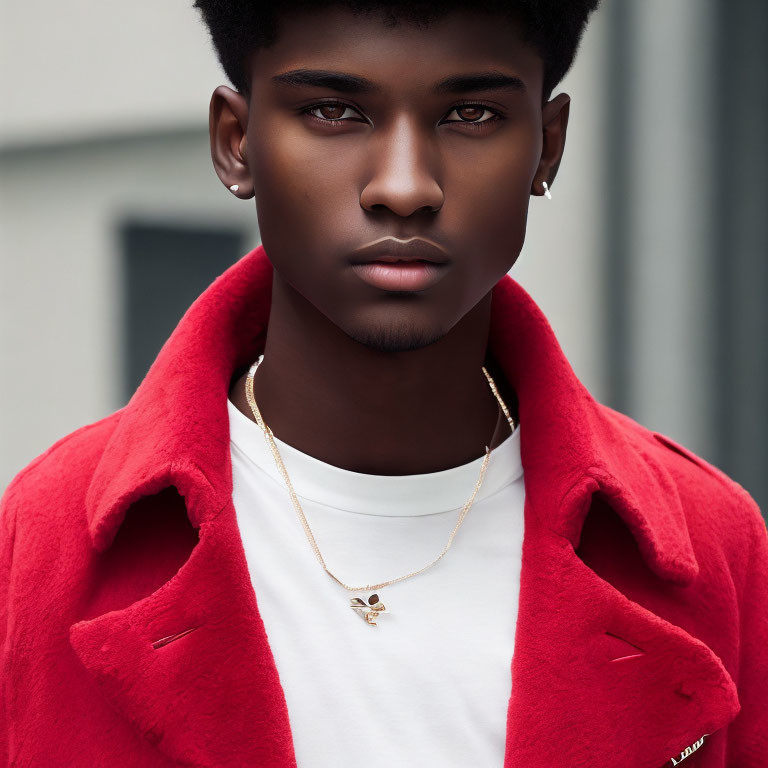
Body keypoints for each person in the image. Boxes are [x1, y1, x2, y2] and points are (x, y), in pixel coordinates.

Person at [1, 1, 766, 766]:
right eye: (333, 111)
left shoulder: (716, 549)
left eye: (470, 114)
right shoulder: (42, 545)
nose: (404, 187)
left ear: (548, 146)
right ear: (237, 144)